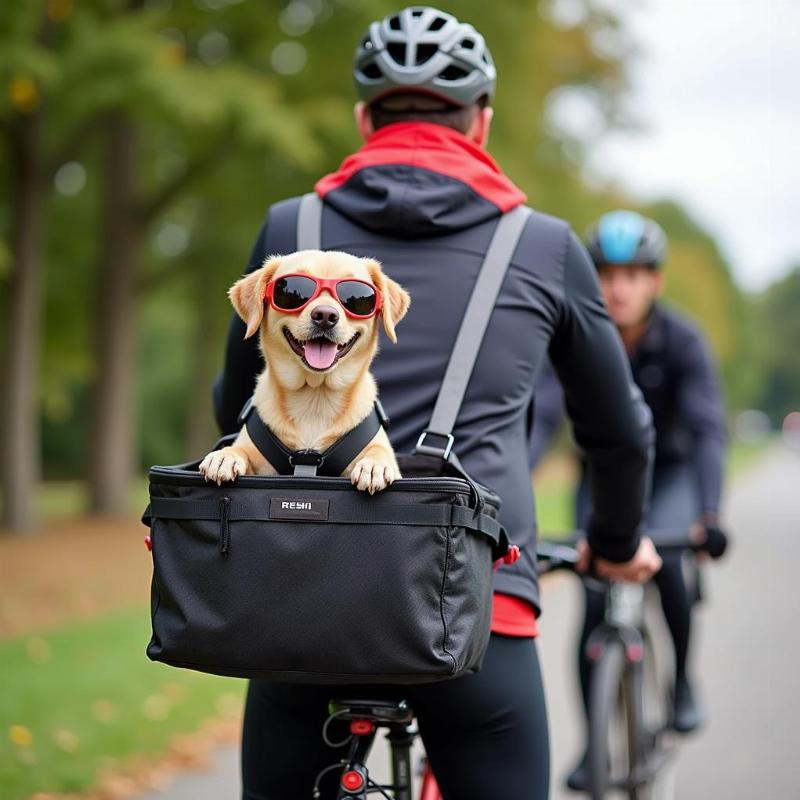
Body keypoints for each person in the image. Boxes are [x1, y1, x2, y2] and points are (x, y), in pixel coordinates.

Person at [214, 9, 660, 799]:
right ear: (481, 124)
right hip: (477, 614)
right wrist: (617, 541)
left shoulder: (292, 230)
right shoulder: (544, 245)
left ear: (363, 120)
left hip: (298, 605)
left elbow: (235, 402)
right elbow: (617, 432)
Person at [530, 209, 728, 791]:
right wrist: (505, 488)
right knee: (592, 605)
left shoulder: (684, 340)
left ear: (655, 282)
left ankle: (682, 681)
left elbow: (709, 431)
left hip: (671, 476)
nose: (619, 288)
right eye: (608, 274)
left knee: (665, 563)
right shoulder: (573, 339)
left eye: (634, 275)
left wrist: (710, 515)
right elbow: (539, 416)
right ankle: (594, 746)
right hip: (604, 478)